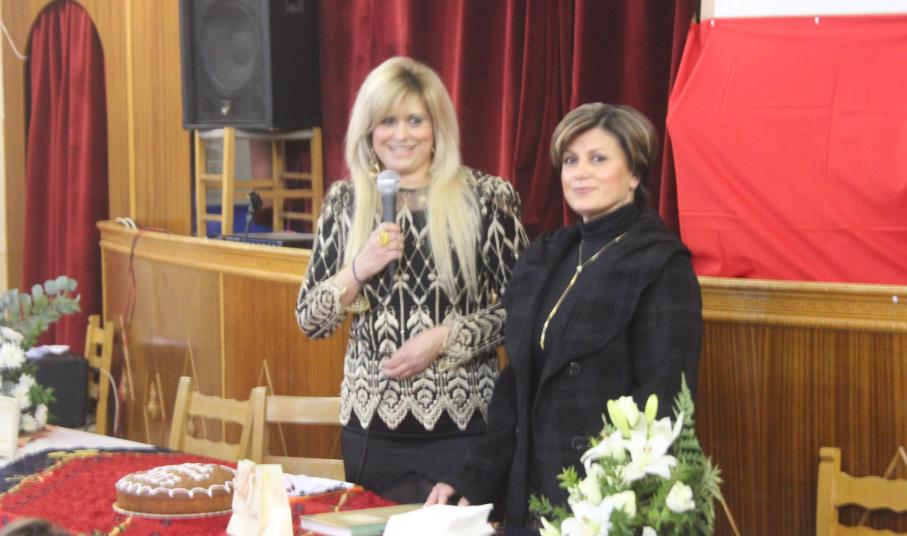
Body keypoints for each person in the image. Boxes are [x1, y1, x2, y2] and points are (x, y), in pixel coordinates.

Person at [426, 103, 702, 526]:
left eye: (598, 159)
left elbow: (664, 399)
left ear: (634, 174)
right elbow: (515, 386)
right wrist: (473, 476)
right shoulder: (546, 255)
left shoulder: (660, 263)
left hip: (606, 500)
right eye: (571, 161)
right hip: (531, 495)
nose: (579, 173)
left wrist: (613, 503)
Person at [295, 56, 527, 504]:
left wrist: (445, 338)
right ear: (369, 130)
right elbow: (310, 320)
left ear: (437, 126)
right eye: (388, 121)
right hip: (371, 433)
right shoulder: (344, 203)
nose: (401, 134)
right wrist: (359, 268)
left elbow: (523, 310)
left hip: (464, 429)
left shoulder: (486, 198)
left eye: (415, 120)